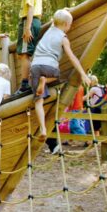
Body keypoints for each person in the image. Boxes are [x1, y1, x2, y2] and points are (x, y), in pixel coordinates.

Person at [30, 9, 90, 141]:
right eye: (70, 24)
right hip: (50, 67)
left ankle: (43, 129)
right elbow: (72, 57)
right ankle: (46, 80)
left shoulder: (49, 30)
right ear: (66, 24)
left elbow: (55, 20)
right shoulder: (63, 39)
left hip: (35, 67)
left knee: (38, 101)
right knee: (57, 76)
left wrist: (63, 11)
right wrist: (83, 74)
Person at [15, 0, 43, 93]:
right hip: (35, 21)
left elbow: (30, 9)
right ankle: (30, 80)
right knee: (27, 54)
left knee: (24, 54)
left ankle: (25, 83)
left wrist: (27, 28)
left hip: (29, 21)